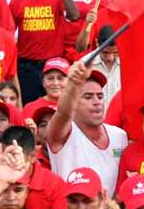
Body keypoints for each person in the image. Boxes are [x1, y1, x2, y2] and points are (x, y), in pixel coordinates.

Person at [46, 61, 128, 194]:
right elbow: (63, 113)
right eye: (88, 97)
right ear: (74, 102)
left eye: (100, 96)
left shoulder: (119, 136)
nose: (97, 102)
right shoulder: (62, 134)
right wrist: (73, 83)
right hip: (68, 208)